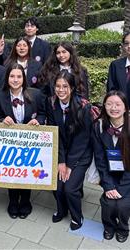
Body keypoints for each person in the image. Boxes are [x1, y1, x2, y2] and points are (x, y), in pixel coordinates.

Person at [0, 62, 46, 219]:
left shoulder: (36, 94)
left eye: (18, 76)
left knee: (26, 169)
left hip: (29, 142)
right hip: (9, 143)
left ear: (24, 78)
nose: (15, 80)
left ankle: (25, 200)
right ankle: (12, 200)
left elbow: (43, 114)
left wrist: (39, 121)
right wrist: (2, 119)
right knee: (12, 169)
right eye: (12, 76)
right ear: (7, 77)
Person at [46, 70, 93, 230]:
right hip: (62, 152)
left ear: (72, 88)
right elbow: (55, 134)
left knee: (70, 188)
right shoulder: (51, 103)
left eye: (65, 86)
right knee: (56, 185)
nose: (60, 90)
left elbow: (83, 140)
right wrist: (61, 161)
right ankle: (61, 209)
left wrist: (69, 165)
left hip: (81, 154)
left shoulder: (84, 106)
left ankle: (76, 216)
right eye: (58, 86)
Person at [92, 90, 130, 243]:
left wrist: (121, 189)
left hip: (127, 176)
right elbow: (99, 158)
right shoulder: (99, 127)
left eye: (118, 104)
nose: (113, 108)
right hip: (109, 172)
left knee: (122, 204)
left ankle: (122, 228)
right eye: (109, 104)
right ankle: (108, 226)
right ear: (104, 107)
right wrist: (108, 185)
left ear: (126, 108)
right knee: (108, 202)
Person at [107, 32, 130, 106]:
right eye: (126, 43)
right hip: (120, 111)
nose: (129, 46)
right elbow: (111, 90)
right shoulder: (115, 65)